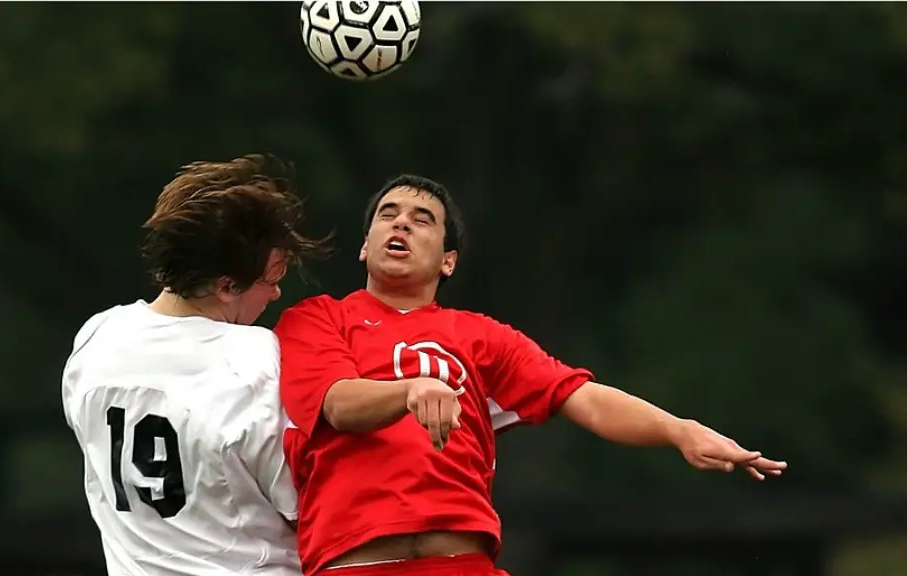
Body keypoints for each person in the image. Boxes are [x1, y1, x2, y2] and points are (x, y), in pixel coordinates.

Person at [275, 175, 788, 576]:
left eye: (422, 219)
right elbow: (339, 404)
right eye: (388, 215)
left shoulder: (479, 336)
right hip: (354, 564)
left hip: (463, 564)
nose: (401, 224)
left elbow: (580, 397)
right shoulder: (318, 318)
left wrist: (678, 430)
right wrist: (410, 390)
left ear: (448, 261)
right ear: (365, 246)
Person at [61, 155, 331, 576]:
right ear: (227, 286)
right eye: (271, 280)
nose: (277, 294)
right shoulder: (255, 360)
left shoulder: (95, 340)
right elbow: (310, 506)